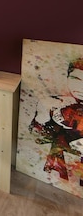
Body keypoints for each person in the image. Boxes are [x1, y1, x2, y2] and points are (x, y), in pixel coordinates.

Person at [29, 57, 83, 186]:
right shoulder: (60, 104)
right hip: (57, 170)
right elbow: (38, 137)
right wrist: (42, 116)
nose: (80, 87)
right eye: (75, 79)